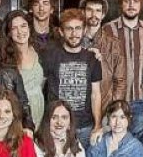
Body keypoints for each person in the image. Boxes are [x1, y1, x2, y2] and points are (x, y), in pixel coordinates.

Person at [41, 9, 104, 149]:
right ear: (61, 32)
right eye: (69, 29)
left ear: (84, 30)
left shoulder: (92, 58)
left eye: (78, 28)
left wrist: (98, 124)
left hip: (84, 127)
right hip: (57, 126)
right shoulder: (50, 56)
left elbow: (96, 94)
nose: (74, 34)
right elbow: (40, 89)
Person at [101, 0, 143, 142]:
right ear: (121, 4)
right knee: (113, 140)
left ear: (141, 5)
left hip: (139, 97)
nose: (131, 5)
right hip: (116, 98)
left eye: (135, 1)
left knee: (135, 141)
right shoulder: (108, 29)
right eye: (127, 1)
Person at [81, 0, 127, 106]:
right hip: (79, 109)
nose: (93, 14)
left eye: (98, 11)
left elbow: (120, 81)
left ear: (103, 15)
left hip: (104, 107)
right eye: (89, 10)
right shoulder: (73, 41)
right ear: (82, 12)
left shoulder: (114, 44)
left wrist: (113, 107)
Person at [5, 9, 47, 129]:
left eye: (23, 26)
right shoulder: (6, 59)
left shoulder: (39, 50)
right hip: (19, 117)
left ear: (29, 28)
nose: (20, 31)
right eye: (14, 28)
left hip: (41, 113)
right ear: (9, 33)